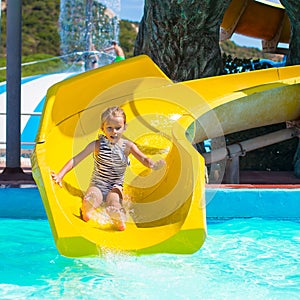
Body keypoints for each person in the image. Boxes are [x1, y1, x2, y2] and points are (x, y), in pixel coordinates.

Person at [51, 106, 165, 231]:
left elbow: (143, 159)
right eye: (109, 128)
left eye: (118, 128)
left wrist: (153, 165)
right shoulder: (97, 145)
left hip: (115, 186)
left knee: (114, 200)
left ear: (124, 127)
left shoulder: (128, 146)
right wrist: (60, 175)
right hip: (98, 183)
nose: (114, 132)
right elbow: (76, 159)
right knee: (93, 195)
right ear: (103, 129)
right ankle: (87, 209)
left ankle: (117, 216)